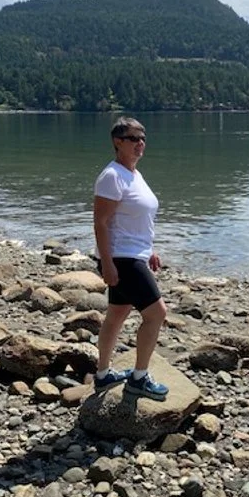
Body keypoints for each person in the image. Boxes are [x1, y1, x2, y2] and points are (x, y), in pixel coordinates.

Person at [92, 116, 169, 400]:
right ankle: (139, 379)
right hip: (122, 258)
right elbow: (100, 222)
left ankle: (102, 375)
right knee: (157, 314)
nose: (140, 144)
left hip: (134, 254)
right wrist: (107, 262)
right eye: (134, 138)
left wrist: (150, 249)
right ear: (117, 142)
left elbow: (136, 218)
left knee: (117, 314)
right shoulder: (112, 175)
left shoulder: (133, 174)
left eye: (143, 138)